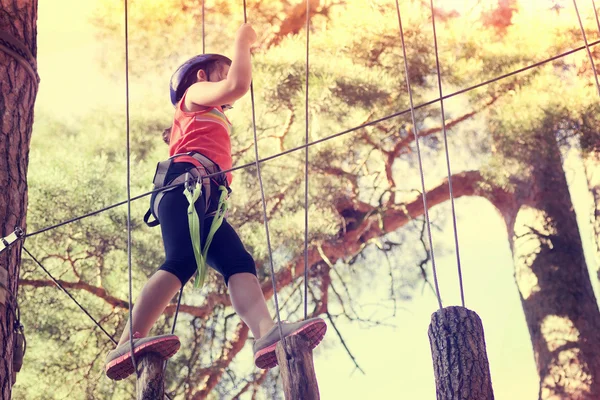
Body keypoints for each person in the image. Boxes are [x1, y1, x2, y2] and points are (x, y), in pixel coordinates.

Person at [105, 23, 327, 381]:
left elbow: (232, 89)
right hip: (182, 190)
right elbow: (237, 84)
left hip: (206, 200)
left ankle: (265, 332)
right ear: (202, 76)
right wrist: (243, 41)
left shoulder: (208, 114)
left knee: (239, 262)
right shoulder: (192, 95)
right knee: (182, 259)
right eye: (220, 76)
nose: (227, 96)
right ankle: (127, 341)